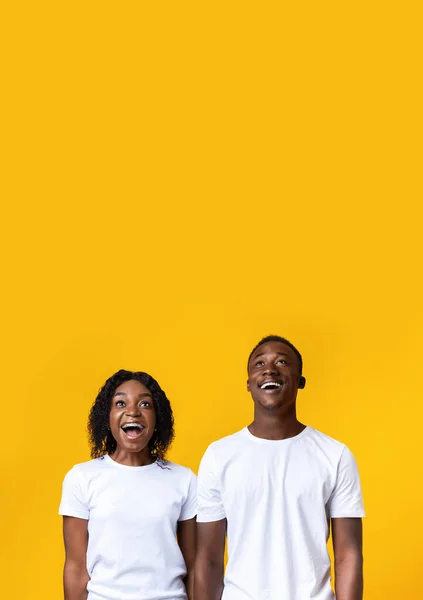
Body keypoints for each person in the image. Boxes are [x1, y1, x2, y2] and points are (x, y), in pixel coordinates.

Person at [195, 335, 364, 600]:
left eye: (282, 362)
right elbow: (208, 560)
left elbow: (348, 555)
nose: (270, 369)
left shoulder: (335, 455)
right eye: (259, 363)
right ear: (249, 384)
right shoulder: (219, 456)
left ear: (300, 381)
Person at [59, 369, 196, 600]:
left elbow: (195, 568)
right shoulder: (82, 477)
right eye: (120, 403)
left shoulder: (183, 479)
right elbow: (75, 568)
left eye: (145, 404)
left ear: (157, 417)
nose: (132, 411)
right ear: (107, 416)